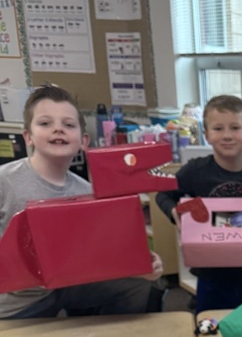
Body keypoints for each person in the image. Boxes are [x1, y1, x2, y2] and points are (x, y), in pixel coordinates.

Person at [0, 84, 163, 319]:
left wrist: (142, 265)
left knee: (138, 286)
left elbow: (100, 251)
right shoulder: (5, 181)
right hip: (19, 299)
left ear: (83, 140)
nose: (58, 129)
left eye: (68, 125)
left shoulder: (86, 191)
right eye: (45, 123)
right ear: (28, 137)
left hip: (71, 285)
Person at [156, 94, 242, 312]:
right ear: (206, 135)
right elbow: (163, 195)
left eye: (235, 128)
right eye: (218, 129)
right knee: (209, 323)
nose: (227, 135)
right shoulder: (195, 171)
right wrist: (176, 212)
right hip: (210, 274)